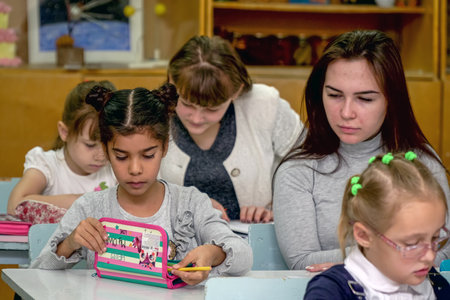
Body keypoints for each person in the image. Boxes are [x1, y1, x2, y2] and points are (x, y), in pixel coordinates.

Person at [30, 83, 253, 286]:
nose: (135, 169)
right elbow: (38, 273)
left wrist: (214, 253)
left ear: (164, 147)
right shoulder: (90, 207)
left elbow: (245, 256)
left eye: (148, 155)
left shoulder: (190, 203)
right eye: (121, 156)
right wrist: (70, 243)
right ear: (106, 151)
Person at [272, 30, 450, 271]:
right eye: (334, 95)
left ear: (391, 99)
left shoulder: (421, 162)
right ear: (319, 93)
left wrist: (359, 257)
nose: (346, 112)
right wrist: (403, 251)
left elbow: (445, 249)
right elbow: (302, 262)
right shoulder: (298, 170)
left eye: (365, 99)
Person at [160, 35, 302, 223]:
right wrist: (187, 203)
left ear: (236, 92)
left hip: (254, 239)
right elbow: (132, 186)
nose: (196, 118)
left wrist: (279, 209)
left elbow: (308, 167)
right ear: (171, 82)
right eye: (186, 103)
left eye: (212, 109)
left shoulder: (265, 106)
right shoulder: (151, 114)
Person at [304, 152, 450, 299]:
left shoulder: (435, 283)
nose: (430, 256)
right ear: (364, 235)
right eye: (412, 244)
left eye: (435, 238)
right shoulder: (332, 290)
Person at [7, 80, 117, 224]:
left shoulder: (114, 167)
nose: (102, 156)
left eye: (107, 145)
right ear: (65, 132)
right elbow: (15, 205)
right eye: (90, 145)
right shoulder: (47, 165)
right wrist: (82, 201)